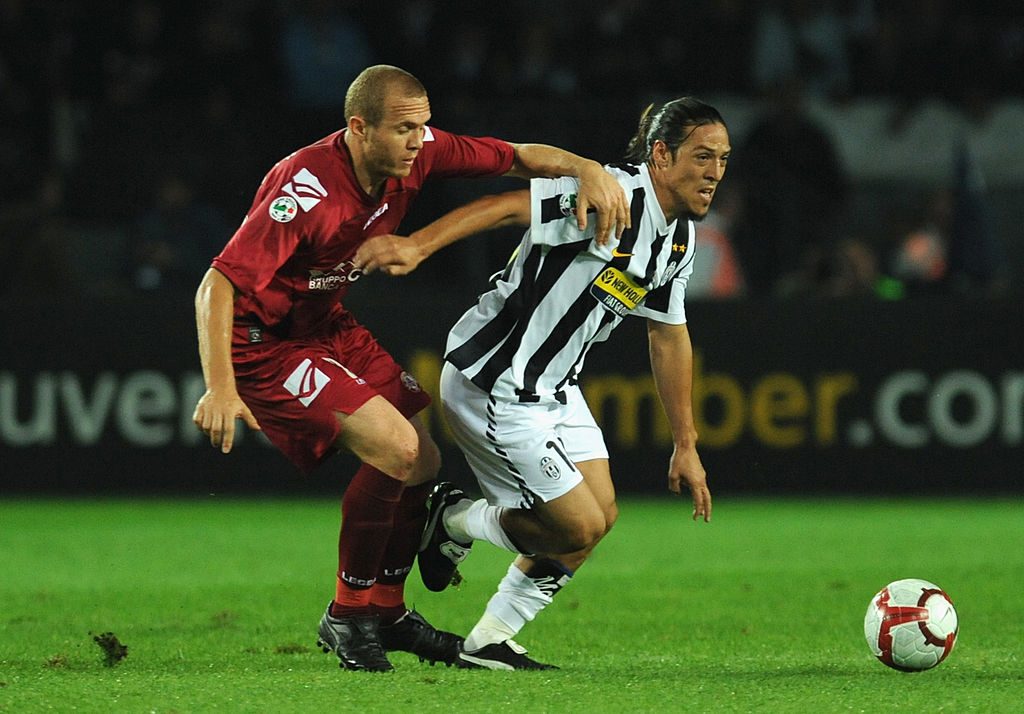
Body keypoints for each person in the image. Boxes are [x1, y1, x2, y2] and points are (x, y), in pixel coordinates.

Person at [191, 64, 630, 673]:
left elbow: (520, 157)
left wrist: (587, 170)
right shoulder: (307, 187)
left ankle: (388, 613)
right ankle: (348, 613)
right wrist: (220, 385)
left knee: (422, 461)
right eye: (404, 129)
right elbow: (218, 283)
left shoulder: (419, 151)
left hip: (325, 327)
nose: (420, 140)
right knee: (397, 450)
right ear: (358, 128)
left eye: (424, 127)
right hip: (264, 343)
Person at [355, 96, 724, 669]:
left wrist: (686, 442)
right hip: (495, 380)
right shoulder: (611, 194)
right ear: (661, 153)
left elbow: (668, 334)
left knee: (600, 518)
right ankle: (453, 517)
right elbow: (507, 208)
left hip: (553, 387)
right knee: (572, 524)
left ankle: (488, 640)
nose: (715, 173)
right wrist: (417, 245)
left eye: (723, 160)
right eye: (702, 156)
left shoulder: (678, 239)